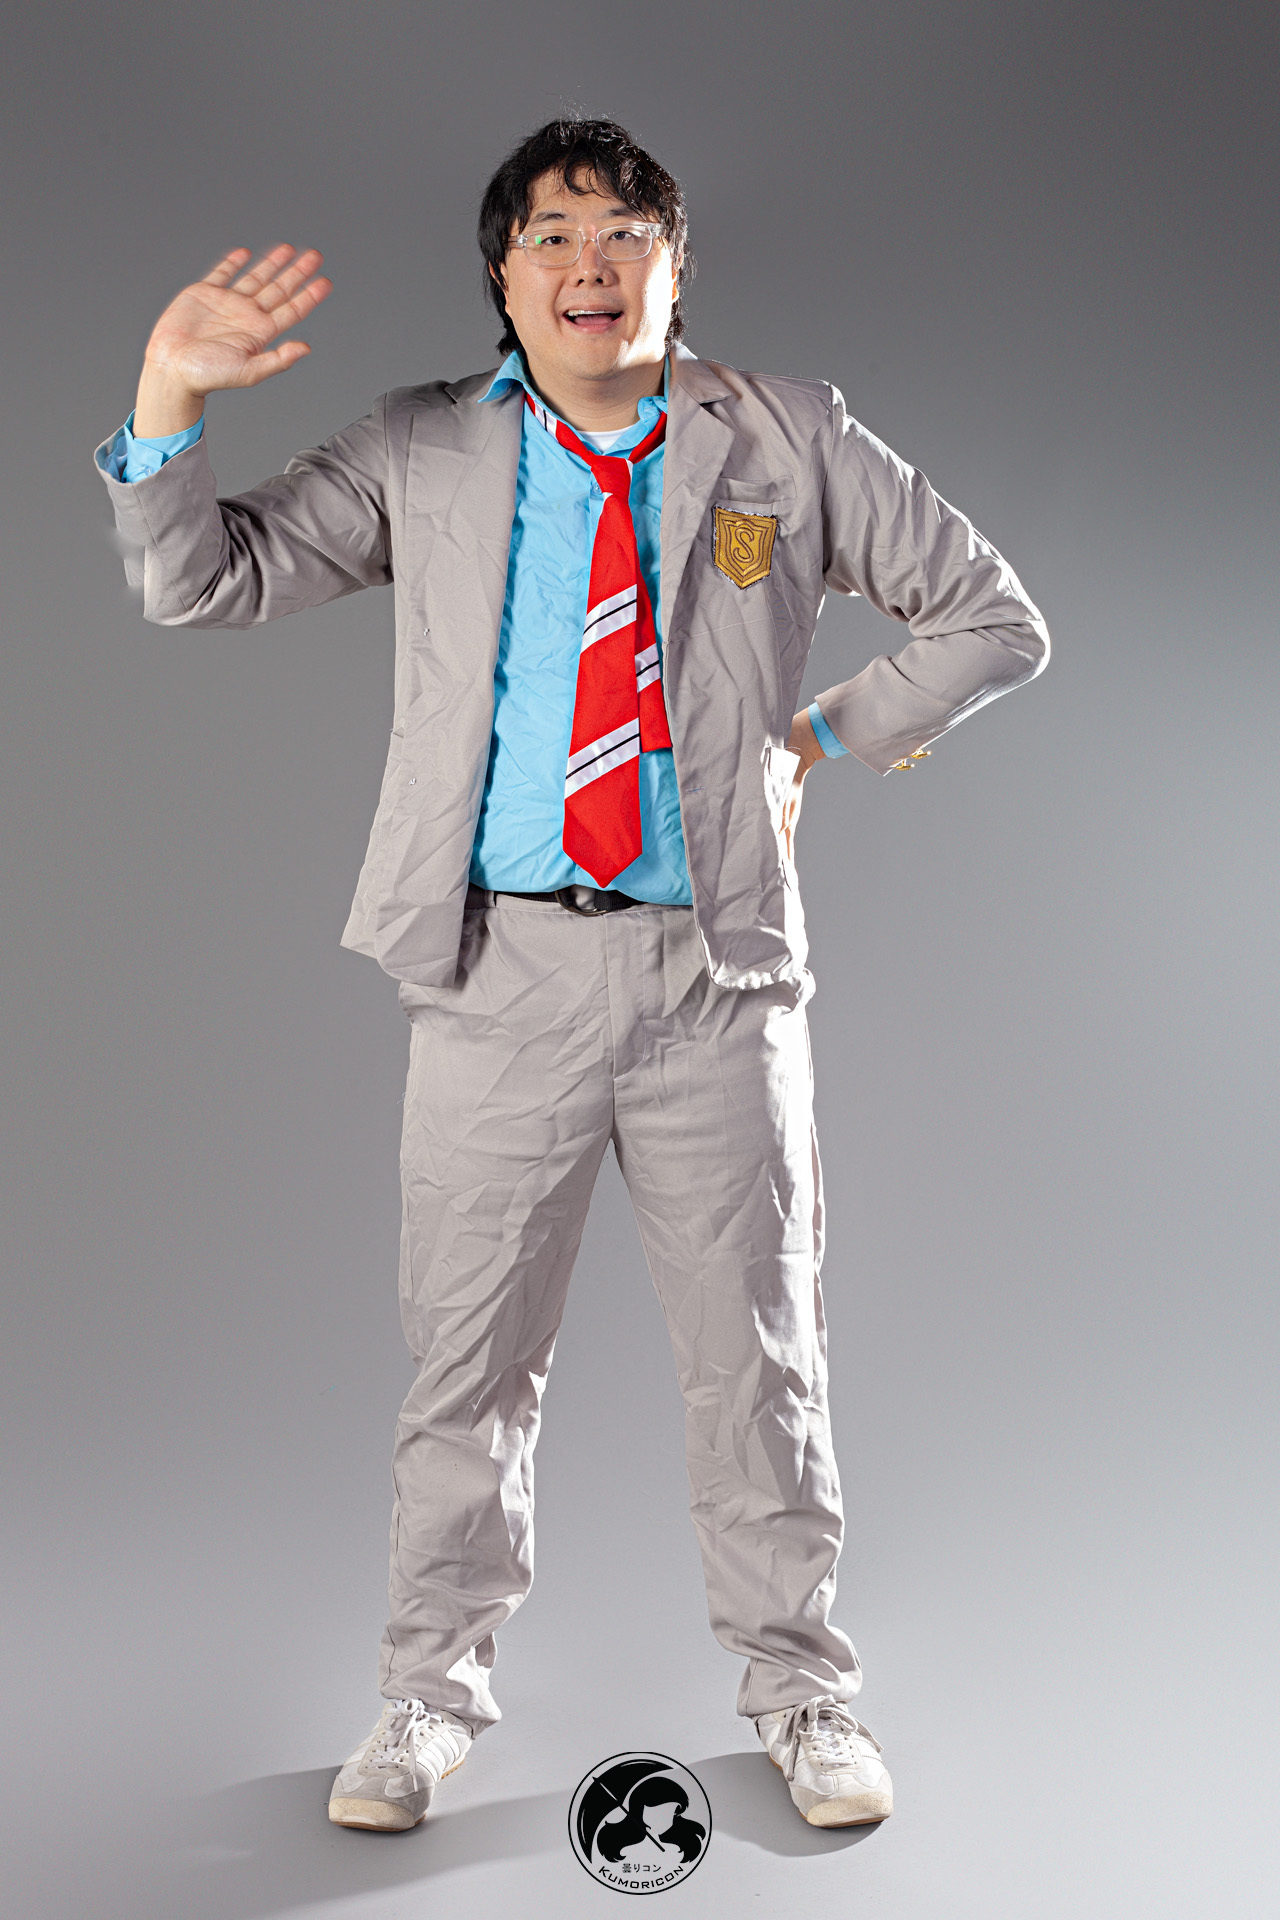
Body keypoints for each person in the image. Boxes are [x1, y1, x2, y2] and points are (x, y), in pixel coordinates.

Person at [95, 115, 1049, 1835]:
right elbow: (196, 580)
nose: (589, 264)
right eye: (551, 235)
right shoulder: (420, 448)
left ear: (678, 265)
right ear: (503, 274)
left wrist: (823, 733)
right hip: (497, 977)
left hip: (716, 985)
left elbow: (992, 616)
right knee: (466, 1370)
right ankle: (424, 1698)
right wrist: (169, 391)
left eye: (625, 233)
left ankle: (803, 1692)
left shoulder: (786, 436)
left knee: (760, 1363)